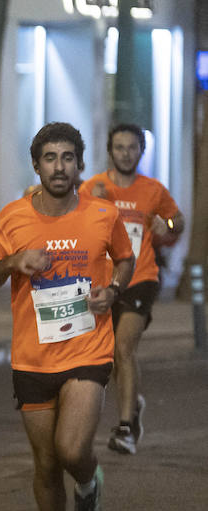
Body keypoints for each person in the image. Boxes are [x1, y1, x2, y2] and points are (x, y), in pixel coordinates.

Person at [0, 122, 133, 511]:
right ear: (36, 165)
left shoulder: (102, 214)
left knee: (71, 449)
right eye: (50, 158)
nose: (59, 167)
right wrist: (12, 262)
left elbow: (124, 259)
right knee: (45, 463)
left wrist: (113, 289)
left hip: (87, 346)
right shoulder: (12, 218)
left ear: (80, 164)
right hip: (32, 357)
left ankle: (89, 485)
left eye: (68, 157)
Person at [79, 124, 185, 455]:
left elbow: (176, 223)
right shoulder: (92, 188)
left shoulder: (153, 190)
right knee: (111, 356)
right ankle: (133, 402)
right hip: (103, 281)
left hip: (141, 278)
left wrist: (165, 225)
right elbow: (77, 228)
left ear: (141, 151)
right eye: (120, 147)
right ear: (110, 150)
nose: (126, 153)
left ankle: (124, 428)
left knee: (124, 347)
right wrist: (89, 208)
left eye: (132, 147)